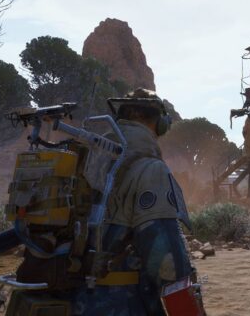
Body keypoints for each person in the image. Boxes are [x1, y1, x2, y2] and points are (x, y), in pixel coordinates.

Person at [66, 88, 203, 315]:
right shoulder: (151, 170)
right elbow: (169, 266)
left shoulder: (90, 158)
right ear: (159, 123)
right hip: (124, 304)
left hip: (75, 302)